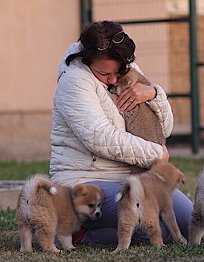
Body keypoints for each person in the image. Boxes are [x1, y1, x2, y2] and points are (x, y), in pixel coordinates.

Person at [50, 21, 193, 246]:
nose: (114, 80)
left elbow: (164, 129)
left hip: (131, 179)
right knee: (156, 232)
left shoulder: (129, 69)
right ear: (87, 62)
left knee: (189, 224)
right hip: (83, 180)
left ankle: (107, 224)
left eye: (118, 72)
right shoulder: (74, 81)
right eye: (105, 73)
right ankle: (77, 233)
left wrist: (153, 94)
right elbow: (99, 138)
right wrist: (155, 153)